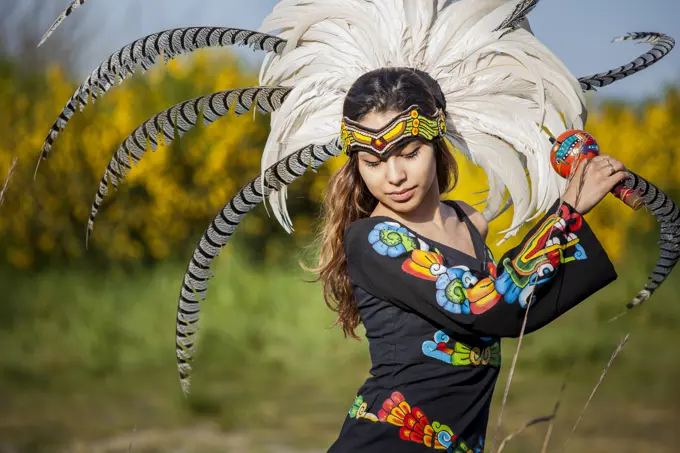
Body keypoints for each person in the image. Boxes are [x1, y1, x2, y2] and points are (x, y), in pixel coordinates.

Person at [316, 67, 622, 452]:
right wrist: (569, 210)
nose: (394, 176)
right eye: (372, 163)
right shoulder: (373, 239)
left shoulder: (466, 223)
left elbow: (520, 305)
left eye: (410, 153)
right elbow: (488, 306)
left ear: (436, 142)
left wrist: (575, 200)